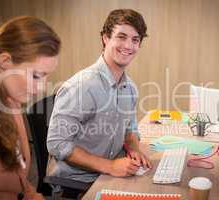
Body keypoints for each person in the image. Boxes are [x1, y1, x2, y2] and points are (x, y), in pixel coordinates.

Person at [47, 9, 152, 186]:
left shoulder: (130, 88)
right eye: (121, 37)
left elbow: (130, 128)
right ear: (105, 38)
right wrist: (110, 166)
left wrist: (134, 150)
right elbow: (58, 143)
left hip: (111, 172)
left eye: (135, 40)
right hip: (78, 181)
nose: (128, 45)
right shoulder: (81, 86)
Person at [0, 16, 61, 199]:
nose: (41, 88)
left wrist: (32, 195)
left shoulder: (11, 104)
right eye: (36, 76)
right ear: (5, 61)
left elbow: (19, 178)